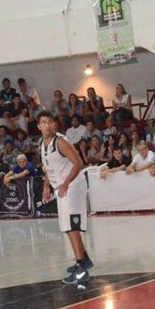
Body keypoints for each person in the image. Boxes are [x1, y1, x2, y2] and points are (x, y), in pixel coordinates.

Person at [37, 111, 93, 284]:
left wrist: (66, 183)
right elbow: (48, 168)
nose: (47, 125)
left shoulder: (60, 142)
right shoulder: (43, 143)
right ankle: (84, 260)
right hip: (62, 186)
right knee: (67, 227)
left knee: (71, 227)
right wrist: (46, 186)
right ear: (38, 126)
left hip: (73, 185)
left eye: (50, 122)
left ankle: (81, 269)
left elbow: (78, 163)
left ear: (54, 124)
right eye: (43, 122)